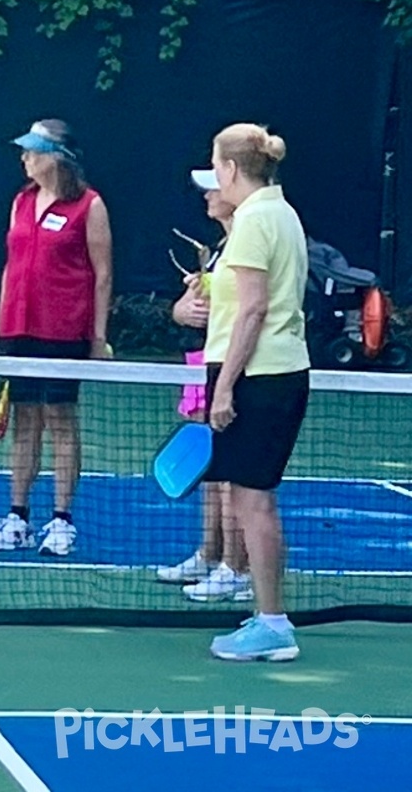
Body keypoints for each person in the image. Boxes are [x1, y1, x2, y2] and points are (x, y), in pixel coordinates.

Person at [199, 123, 310, 662]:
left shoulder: (253, 222)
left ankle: (272, 623)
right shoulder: (279, 213)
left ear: (231, 170)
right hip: (277, 373)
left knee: (254, 500)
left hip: (260, 378)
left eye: (215, 165)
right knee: (251, 498)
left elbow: (254, 308)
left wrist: (224, 387)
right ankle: (268, 615)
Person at [0, 119, 113, 558]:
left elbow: (102, 274)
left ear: (57, 156)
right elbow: (9, 265)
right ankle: (17, 516)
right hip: (17, 329)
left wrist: (97, 338)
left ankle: (61, 521)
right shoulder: (21, 202)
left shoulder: (89, 206)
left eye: (33, 150)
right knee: (25, 422)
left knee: (60, 419)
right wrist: (3, 323)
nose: (25, 157)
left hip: (64, 331)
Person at [158, 170, 251, 602]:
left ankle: (237, 567)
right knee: (212, 473)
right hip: (204, 365)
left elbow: (248, 313)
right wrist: (184, 309)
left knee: (233, 475)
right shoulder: (219, 251)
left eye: (215, 187)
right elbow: (192, 311)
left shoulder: (249, 246)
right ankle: (210, 554)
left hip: (235, 371)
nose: (208, 197)